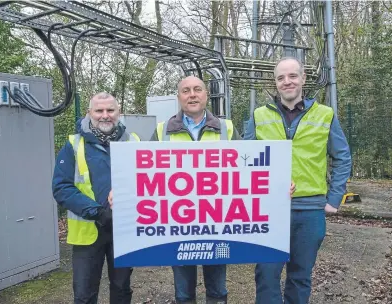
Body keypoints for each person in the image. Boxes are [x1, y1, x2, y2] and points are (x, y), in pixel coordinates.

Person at [244, 57, 352, 304]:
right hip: (269, 210)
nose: (287, 81)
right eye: (281, 77)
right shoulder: (259, 115)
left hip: (310, 211)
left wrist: (334, 199)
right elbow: (245, 160)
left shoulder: (325, 114)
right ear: (275, 83)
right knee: (266, 275)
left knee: (300, 277)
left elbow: (342, 157)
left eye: (293, 76)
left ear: (303, 79)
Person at [151, 75, 241, 304]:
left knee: (218, 290)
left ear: (206, 95)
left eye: (197, 89)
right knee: (183, 293)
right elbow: (144, 175)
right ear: (179, 97)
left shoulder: (226, 128)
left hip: (218, 223)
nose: (192, 94)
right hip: (177, 223)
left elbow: (248, 170)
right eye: (186, 90)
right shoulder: (162, 131)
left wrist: (276, 185)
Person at [52, 92, 140, 304]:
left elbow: (146, 182)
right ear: (89, 113)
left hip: (123, 231)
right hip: (88, 232)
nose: (105, 115)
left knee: (121, 290)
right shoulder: (73, 145)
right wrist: (97, 212)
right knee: (84, 294)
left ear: (119, 112)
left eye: (110, 110)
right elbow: (61, 188)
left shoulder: (133, 141)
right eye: (99, 110)